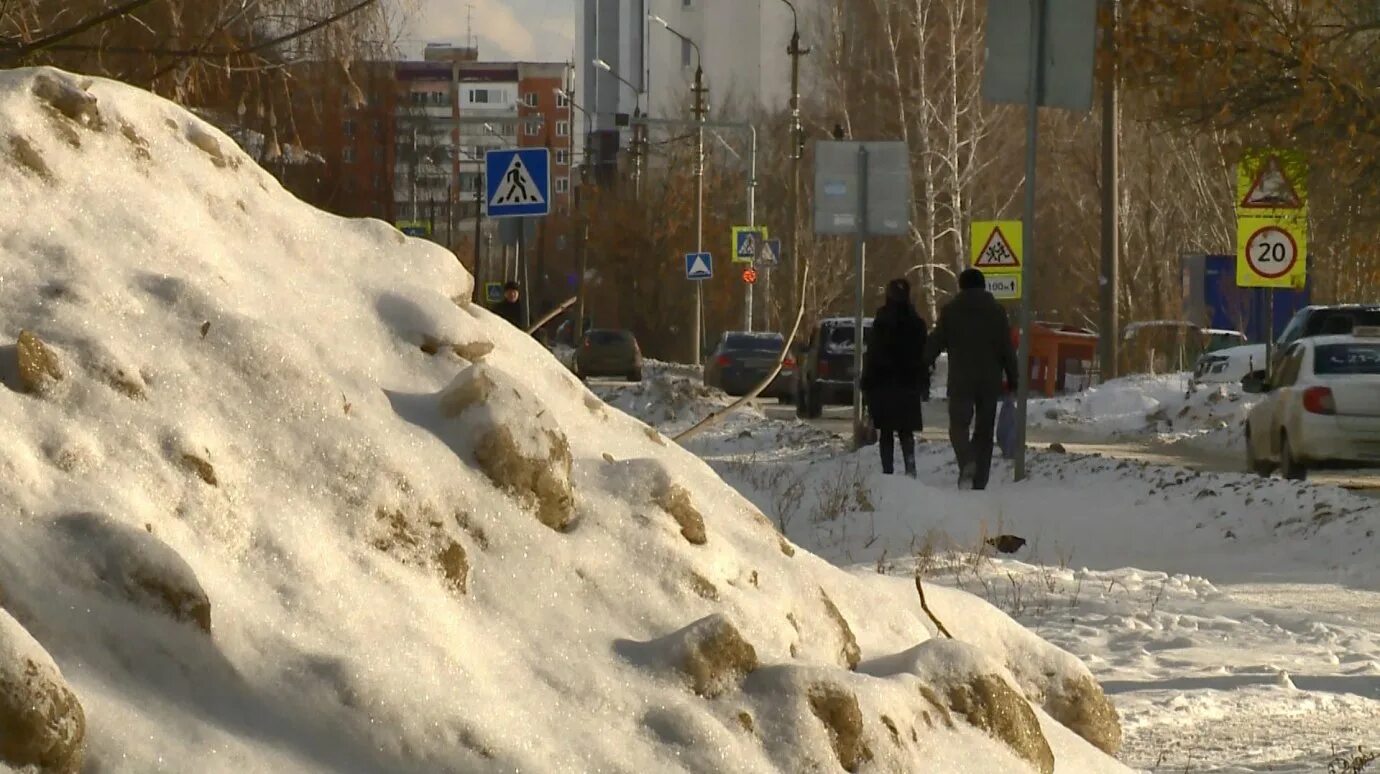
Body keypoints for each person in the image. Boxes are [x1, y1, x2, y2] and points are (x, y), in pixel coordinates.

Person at [924, 268, 1019, 490]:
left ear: (962, 286)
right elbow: (1006, 348)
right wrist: (1014, 378)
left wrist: (922, 362)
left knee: (958, 426)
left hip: (961, 380)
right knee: (984, 432)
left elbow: (936, 342)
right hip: (989, 382)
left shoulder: (951, 311)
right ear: (983, 286)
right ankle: (980, 481)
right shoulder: (997, 312)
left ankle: (967, 461)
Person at [861, 278, 929, 477]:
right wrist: (923, 381)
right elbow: (923, 355)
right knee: (906, 430)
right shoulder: (916, 322)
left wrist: (867, 382)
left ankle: (888, 471)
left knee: (887, 431)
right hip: (908, 383)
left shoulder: (882, 321)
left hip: (884, 383)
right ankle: (910, 467)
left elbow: (873, 353)